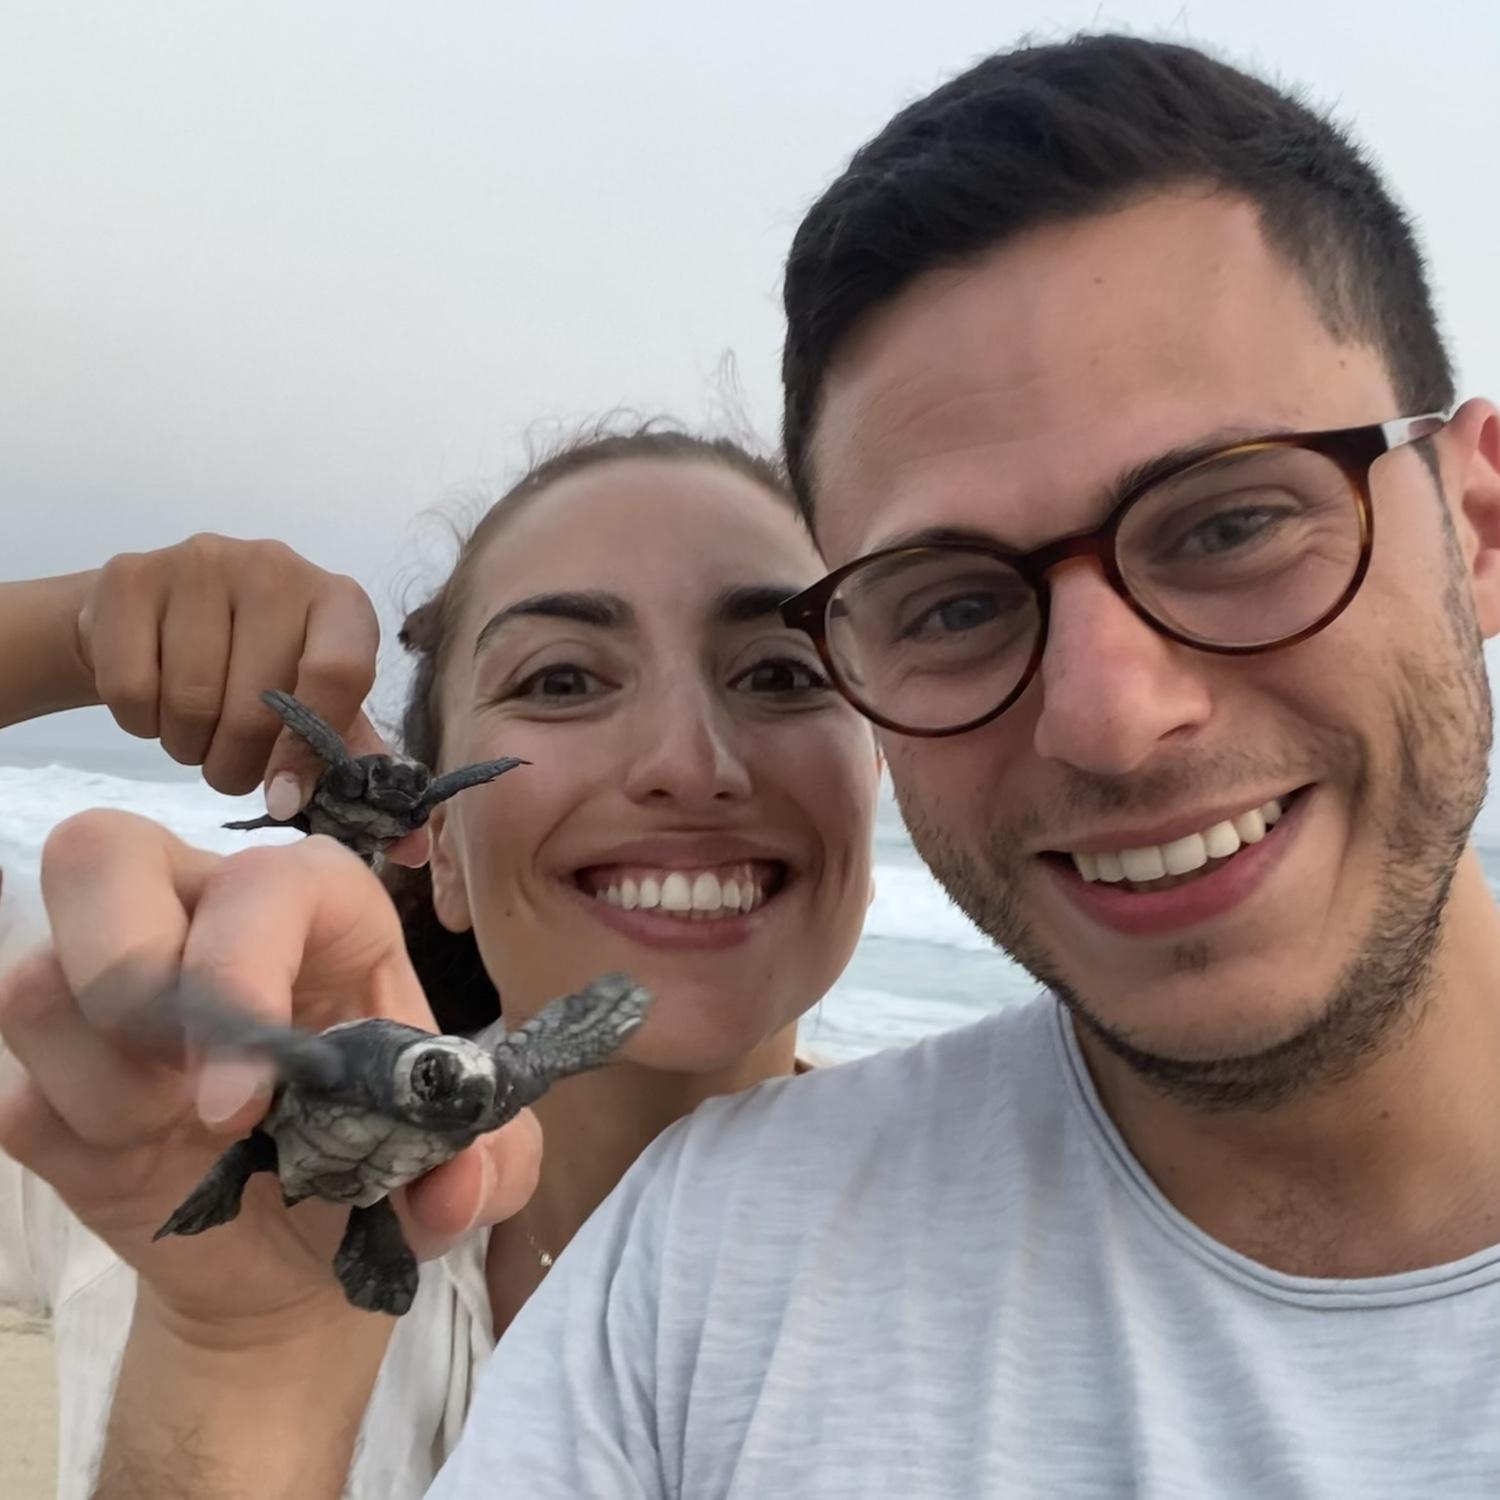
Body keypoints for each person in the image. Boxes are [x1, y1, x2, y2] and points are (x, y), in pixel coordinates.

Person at [426, 32, 1500, 1494]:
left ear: (1476, 527)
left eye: (1232, 523)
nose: (1110, 716)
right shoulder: (711, 1267)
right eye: (953, 604)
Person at [0, 424, 880, 1497]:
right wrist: (72, 633)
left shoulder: (1015, 1240)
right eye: (562, 679)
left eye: (783, 673)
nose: (687, 764)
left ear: (878, 783)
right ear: (443, 851)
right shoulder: (153, 1124)